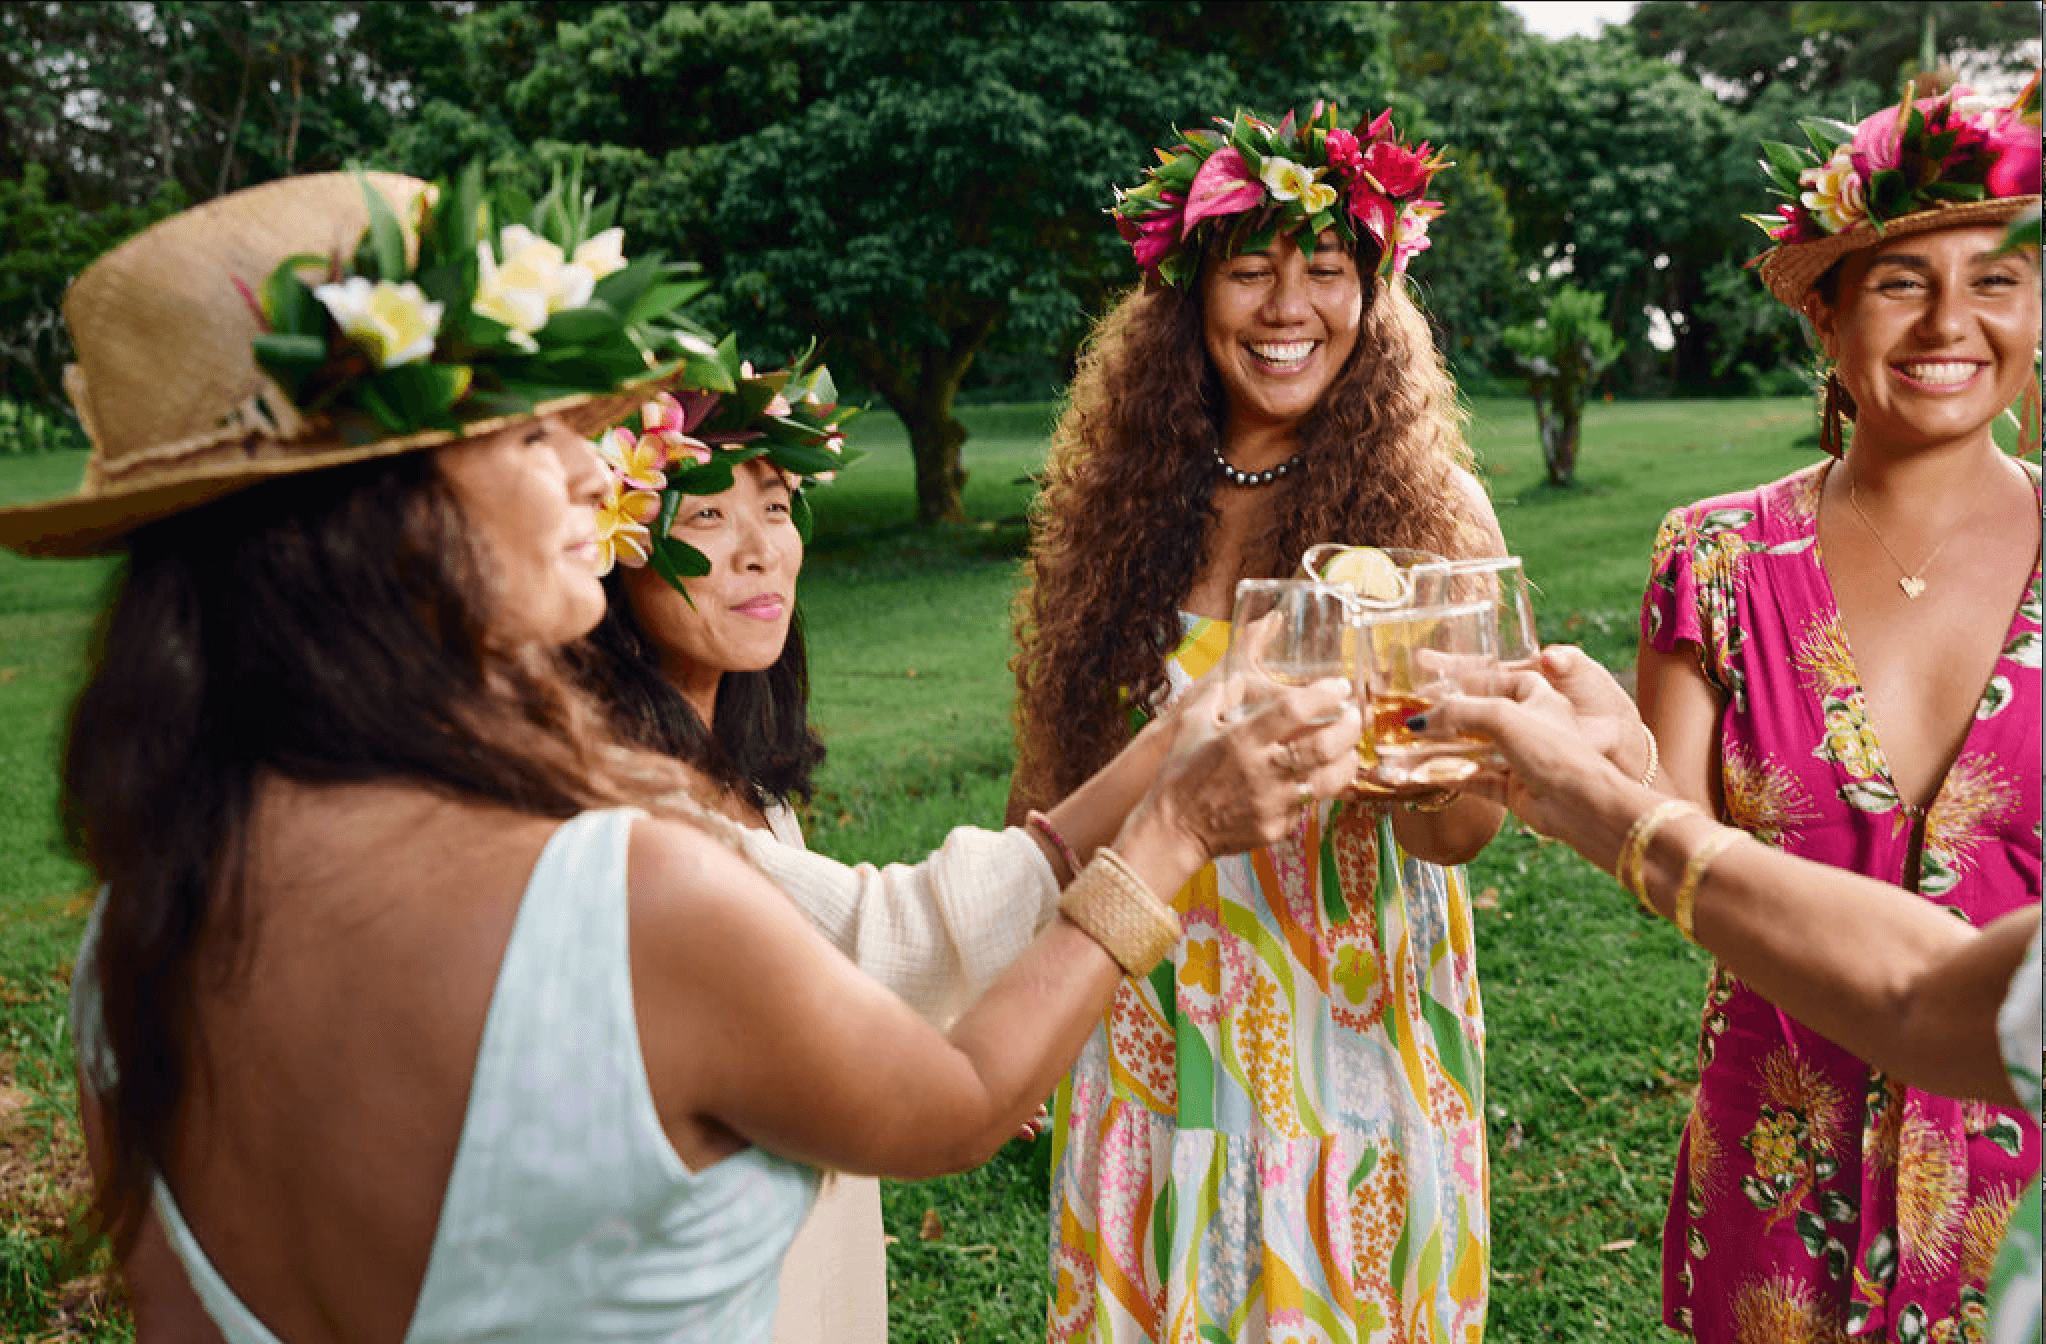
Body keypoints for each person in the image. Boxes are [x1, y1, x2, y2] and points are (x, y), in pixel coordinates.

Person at [4, 170, 1369, 1342]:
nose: (606, 481)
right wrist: (1174, 830)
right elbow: (951, 1107)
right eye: (536, 436)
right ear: (381, 517)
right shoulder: (622, 899)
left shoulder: (133, 932)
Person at [1009, 104, 1529, 1342]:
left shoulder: (1432, 508)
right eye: (1249, 271)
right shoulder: (1122, 507)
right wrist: (1020, 975)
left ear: (1374, 291)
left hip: (1344, 1032)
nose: (1286, 307)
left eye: (1327, 271)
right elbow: (1060, 778)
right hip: (1145, 1014)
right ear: (1192, 296)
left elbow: (1467, 829)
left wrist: (1412, 758)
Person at [574, 359, 1223, 1343]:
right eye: (705, 518)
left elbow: (836, 1005)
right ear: (610, 548)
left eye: (779, 505)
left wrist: (919, 1044)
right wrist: (1171, 765)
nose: (761, 552)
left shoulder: (733, 778)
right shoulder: (630, 806)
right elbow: (887, 945)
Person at [1634, 78, 2042, 1341]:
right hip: (1775, 1181)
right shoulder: (1712, 561)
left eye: (1997, 280)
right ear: (1827, 317)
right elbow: (1654, 844)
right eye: (1900, 281)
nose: (1949, 323)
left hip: (2025, 1197)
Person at [1415, 646, 2041, 1344]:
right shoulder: (1719, 553)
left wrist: (1601, 805)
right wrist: (1625, 761)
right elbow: (1927, 996)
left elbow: (1924, 1002)